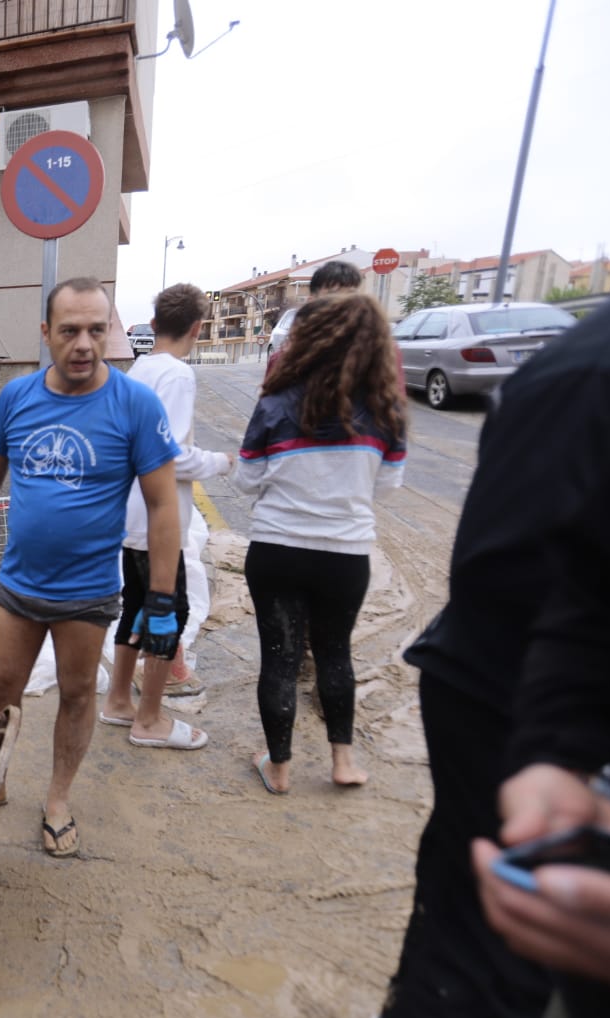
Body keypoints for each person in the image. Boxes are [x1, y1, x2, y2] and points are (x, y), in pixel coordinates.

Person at [372, 257, 610, 1018]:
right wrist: (561, 754)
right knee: (487, 970)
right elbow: (545, 588)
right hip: (515, 720)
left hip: (518, 717)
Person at [0, 277, 181, 858]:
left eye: (96, 330)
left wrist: (161, 598)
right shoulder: (18, 397)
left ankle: (57, 799)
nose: (84, 343)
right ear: (46, 333)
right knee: (2, 687)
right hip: (20, 585)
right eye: (70, 330)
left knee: (77, 694)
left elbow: (162, 505)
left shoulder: (135, 405)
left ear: (111, 332)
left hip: (89, 591)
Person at [232, 293, 406, 796]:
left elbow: (246, 479)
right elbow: (389, 487)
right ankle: (343, 762)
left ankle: (280, 769)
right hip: (345, 554)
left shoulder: (276, 401)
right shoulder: (385, 409)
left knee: (279, 658)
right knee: (335, 654)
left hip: (277, 549)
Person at [101, 283, 233, 749]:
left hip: (131, 513)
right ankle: (150, 719)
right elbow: (169, 456)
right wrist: (218, 462)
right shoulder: (176, 375)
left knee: (136, 605)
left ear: (153, 324)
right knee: (168, 613)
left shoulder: (137, 371)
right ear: (197, 328)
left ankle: (119, 700)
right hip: (158, 518)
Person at [266, 259, 363, 371]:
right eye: (333, 296)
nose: (342, 304)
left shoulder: (372, 357)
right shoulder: (282, 362)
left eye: (351, 296)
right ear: (312, 302)